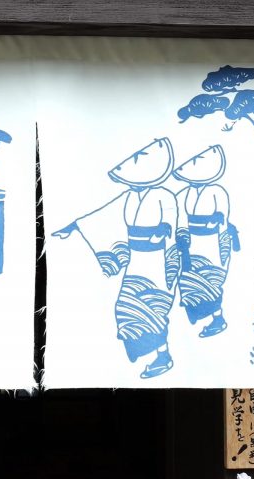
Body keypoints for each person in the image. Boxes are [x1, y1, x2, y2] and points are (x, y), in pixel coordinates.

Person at [53, 138, 185, 378]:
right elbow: (103, 214)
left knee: (153, 308)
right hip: (136, 262)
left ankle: (163, 356)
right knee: (125, 307)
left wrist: (162, 232)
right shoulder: (129, 196)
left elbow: (169, 224)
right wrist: (74, 226)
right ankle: (148, 351)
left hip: (157, 261)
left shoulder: (164, 196)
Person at [172, 145, 239, 337]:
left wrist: (218, 222)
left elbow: (223, 219)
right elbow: (179, 217)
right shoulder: (184, 193)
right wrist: (182, 237)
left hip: (212, 242)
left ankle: (218, 319)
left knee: (210, 280)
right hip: (192, 244)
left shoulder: (217, 191)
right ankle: (201, 314)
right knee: (188, 281)